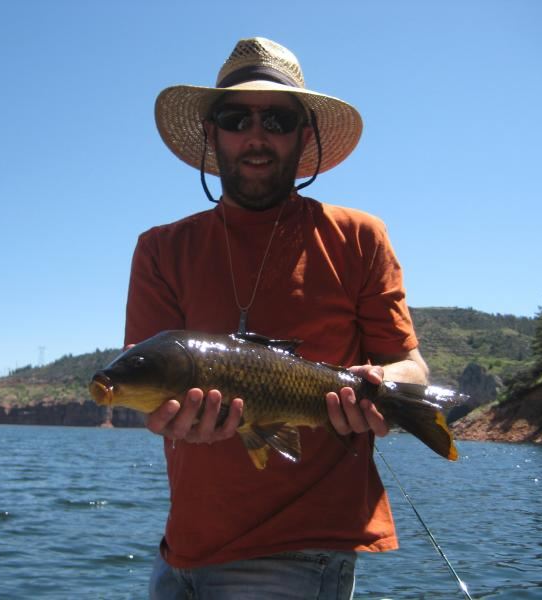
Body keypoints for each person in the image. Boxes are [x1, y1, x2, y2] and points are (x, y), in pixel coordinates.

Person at [124, 37, 429, 599]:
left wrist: (386, 387)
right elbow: (152, 381)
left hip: (301, 552)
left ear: (304, 135)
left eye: (279, 119)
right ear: (212, 135)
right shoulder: (159, 250)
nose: (256, 136)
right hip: (179, 552)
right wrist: (168, 417)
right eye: (236, 118)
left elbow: (409, 367)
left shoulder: (359, 237)